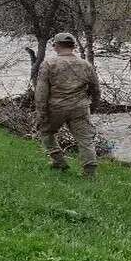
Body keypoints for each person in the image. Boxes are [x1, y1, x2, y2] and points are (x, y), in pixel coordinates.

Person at [35, 32, 102, 178]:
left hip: (56, 108)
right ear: (74, 46)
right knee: (85, 140)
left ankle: (58, 161)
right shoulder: (85, 65)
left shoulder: (48, 64)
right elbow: (96, 90)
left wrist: (41, 113)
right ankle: (90, 172)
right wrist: (92, 107)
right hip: (80, 108)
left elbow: (41, 92)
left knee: (46, 132)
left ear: (56, 46)